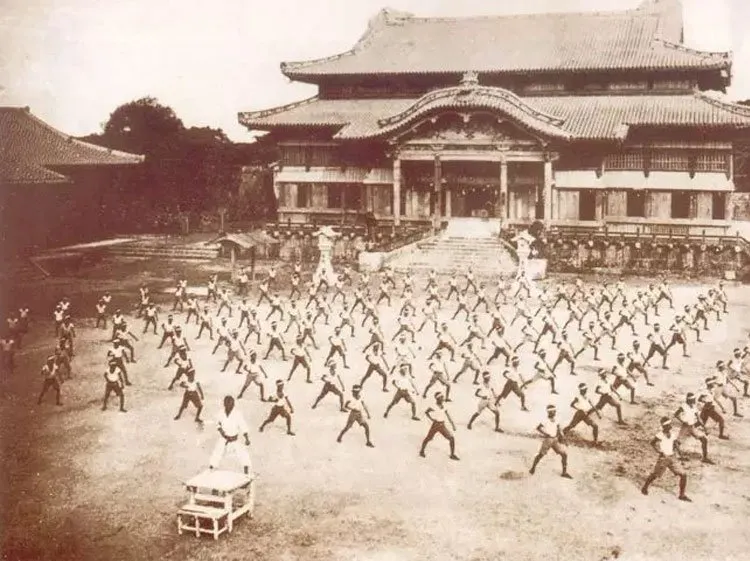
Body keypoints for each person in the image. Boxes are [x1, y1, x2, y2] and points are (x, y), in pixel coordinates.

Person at [641, 417, 691, 501]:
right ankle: (645, 487)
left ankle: (682, 495)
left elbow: (675, 445)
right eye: (668, 425)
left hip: (672, 457)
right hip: (663, 458)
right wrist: (658, 451)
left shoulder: (673, 434)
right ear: (664, 426)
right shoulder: (659, 435)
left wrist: (681, 455)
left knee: (683, 475)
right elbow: (652, 443)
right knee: (655, 475)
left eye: (670, 425)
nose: (670, 426)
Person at [209, 396, 252, 475]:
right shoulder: (221, 413)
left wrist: (246, 438)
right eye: (227, 404)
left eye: (231, 404)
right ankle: (211, 470)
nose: (229, 406)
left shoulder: (237, 414)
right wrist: (220, 430)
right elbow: (217, 423)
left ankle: (246, 473)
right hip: (224, 438)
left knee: (243, 455)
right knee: (216, 453)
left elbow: (243, 426)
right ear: (224, 404)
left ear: (233, 404)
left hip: (234, 439)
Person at [529, 405, 572, 478]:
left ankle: (564, 473)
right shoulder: (545, 420)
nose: (555, 412)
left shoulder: (556, 419)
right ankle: (532, 468)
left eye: (555, 411)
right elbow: (538, 428)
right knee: (541, 455)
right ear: (549, 412)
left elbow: (559, 428)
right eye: (553, 411)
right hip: (548, 440)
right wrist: (545, 433)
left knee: (564, 454)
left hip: (555, 440)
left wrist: (564, 438)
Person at [675, 393, 714, 464]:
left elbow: (699, 418)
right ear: (689, 400)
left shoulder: (694, 406)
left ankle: (705, 458)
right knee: (678, 442)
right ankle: (676, 456)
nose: (694, 401)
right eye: (693, 400)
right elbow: (676, 414)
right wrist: (682, 421)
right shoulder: (683, 406)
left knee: (704, 439)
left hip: (692, 427)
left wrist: (705, 428)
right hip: (685, 427)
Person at [419, 392, 459, 460]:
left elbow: (448, 415)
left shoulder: (444, 406)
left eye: (443, 397)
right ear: (437, 398)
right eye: (441, 397)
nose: (443, 398)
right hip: (435, 425)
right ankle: (422, 451)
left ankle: (452, 455)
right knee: (428, 438)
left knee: (451, 438)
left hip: (442, 425)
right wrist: (431, 419)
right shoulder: (433, 406)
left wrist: (453, 424)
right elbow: (426, 412)